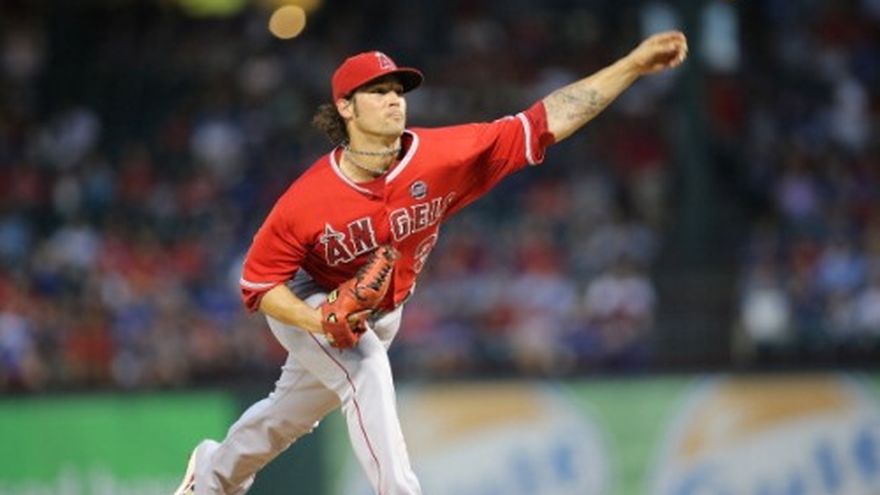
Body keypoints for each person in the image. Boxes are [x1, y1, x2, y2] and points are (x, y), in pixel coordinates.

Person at [174, 30, 688, 495]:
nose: (393, 99)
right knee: (366, 369)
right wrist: (318, 318)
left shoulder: (443, 155)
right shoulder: (306, 200)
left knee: (289, 416)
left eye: (398, 90)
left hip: (380, 310)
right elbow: (259, 284)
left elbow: (546, 120)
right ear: (345, 107)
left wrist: (632, 65)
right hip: (310, 298)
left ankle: (212, 474)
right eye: (378, 91)